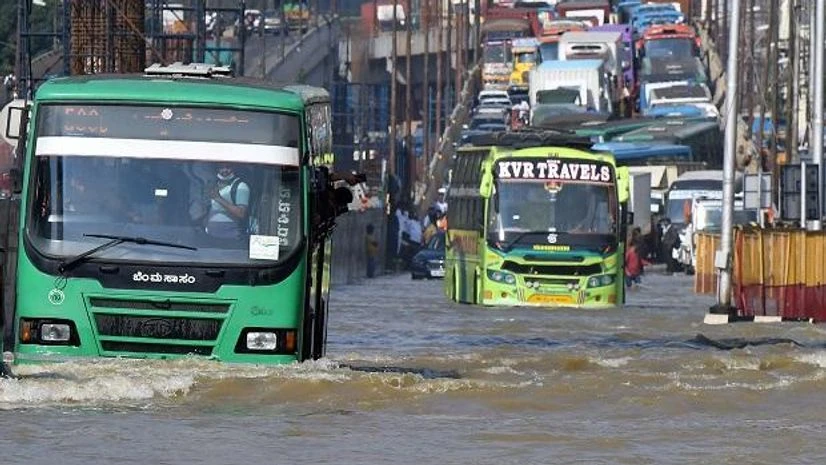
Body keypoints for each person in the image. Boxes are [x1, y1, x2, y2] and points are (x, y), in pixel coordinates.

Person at [205, 163, 250, 241]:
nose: (224, 170)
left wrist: (218, 198)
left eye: (228, 167)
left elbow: (241, 213)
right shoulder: (213, 185)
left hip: (231, 239)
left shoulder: (241, 187)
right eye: (221, 167)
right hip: (210, 238)